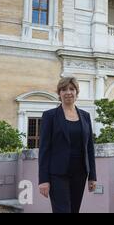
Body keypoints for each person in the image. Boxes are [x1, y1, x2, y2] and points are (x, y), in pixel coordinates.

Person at [38, 77, 97, 213]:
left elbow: (89, 148)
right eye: (64, 89)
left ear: (77, 92)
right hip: (57, 174)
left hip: (80, 173)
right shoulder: (50, 116)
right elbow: (44, 149)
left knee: (74, 210)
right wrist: (43, 179)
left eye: (72, 89)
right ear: (59, 93)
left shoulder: (85, 116)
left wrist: (92, 176)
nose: (68, 92)